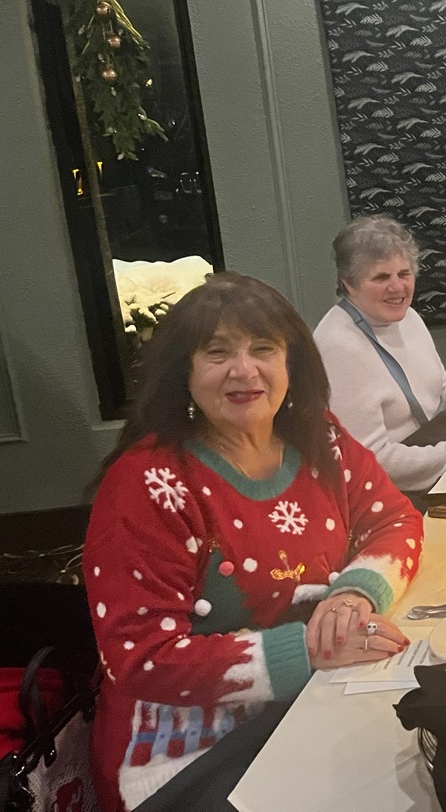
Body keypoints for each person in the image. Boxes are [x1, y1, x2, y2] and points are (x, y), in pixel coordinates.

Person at [83, 273, 421, 812]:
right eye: (217, 353)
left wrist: (355, 594)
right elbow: (142, 657)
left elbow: (395, 521)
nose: (245, 370)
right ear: (184, 374)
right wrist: (307, 651)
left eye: (263, 349)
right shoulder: (148, 482)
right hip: (185, 756)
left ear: (291, 362)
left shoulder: (318, 438)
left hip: (306, 705)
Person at [313, 215, 446, 492]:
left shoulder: (406, 316)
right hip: (398, 490)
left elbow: (440, 390)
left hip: (439, 448)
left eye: (404, 274)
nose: (397, 287)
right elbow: (372, 461)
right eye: (381, 277)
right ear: (348, 284)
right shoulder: (338, 347)